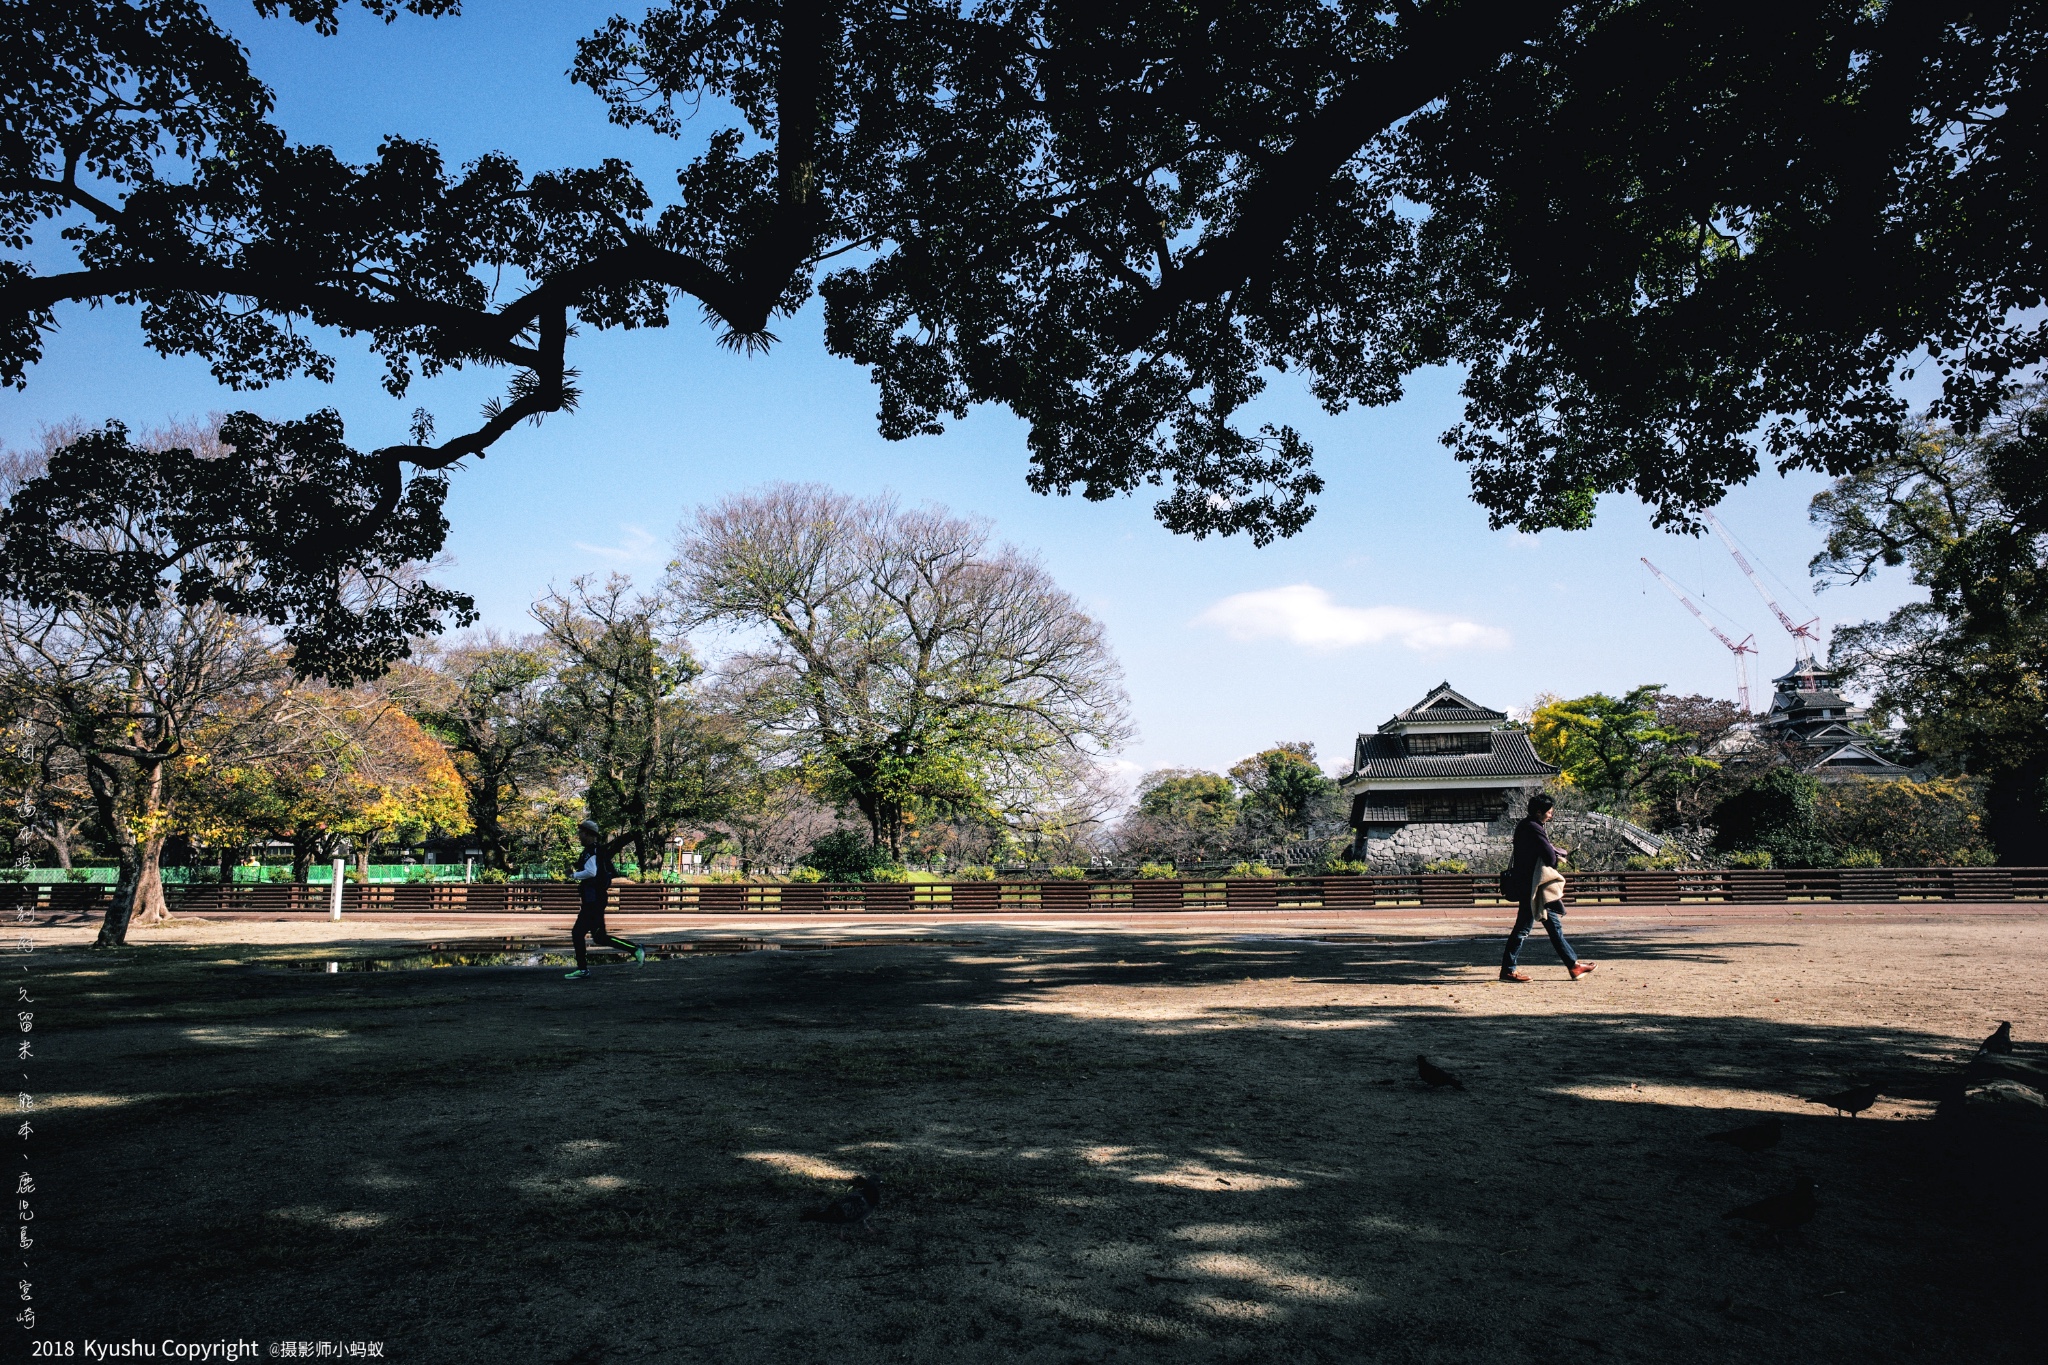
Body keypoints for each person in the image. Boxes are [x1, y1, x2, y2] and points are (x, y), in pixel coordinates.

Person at [1501, 793, 1594, 983]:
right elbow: (1550, 858)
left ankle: (1573, 965)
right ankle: (1508, 970)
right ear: (1539, 812)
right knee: (1523, 929)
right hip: (1533, 887)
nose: (1551, 815)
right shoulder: (1533, 828)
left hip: (1531, 885)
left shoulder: (1525, 826)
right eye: (1549, 812)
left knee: (1553, 926)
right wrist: (1556, 853)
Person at [565, 819, 646, 980]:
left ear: (588, 834)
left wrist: (573, 875)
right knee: (599, 937)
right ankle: (635, 949)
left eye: (581, 833)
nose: (579, 836)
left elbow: (591, 872)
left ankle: (582, 969)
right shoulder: (597, 850)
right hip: (596, 898)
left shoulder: (590, 851)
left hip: (593, 900)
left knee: (577, 933)